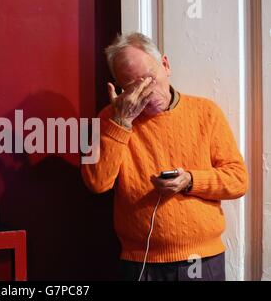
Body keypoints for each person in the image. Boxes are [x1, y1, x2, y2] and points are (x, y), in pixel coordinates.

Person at [81, 32, 248, 281]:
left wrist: (190, 180)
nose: (146, 91)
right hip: (141, 262)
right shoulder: (109, 118)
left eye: (149, 78)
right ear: (119, 89)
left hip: (203, 259)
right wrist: (122, 122)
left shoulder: (206, 113)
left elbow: (238, 180)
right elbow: (97, 183)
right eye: (132, 86)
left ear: (166, 65)